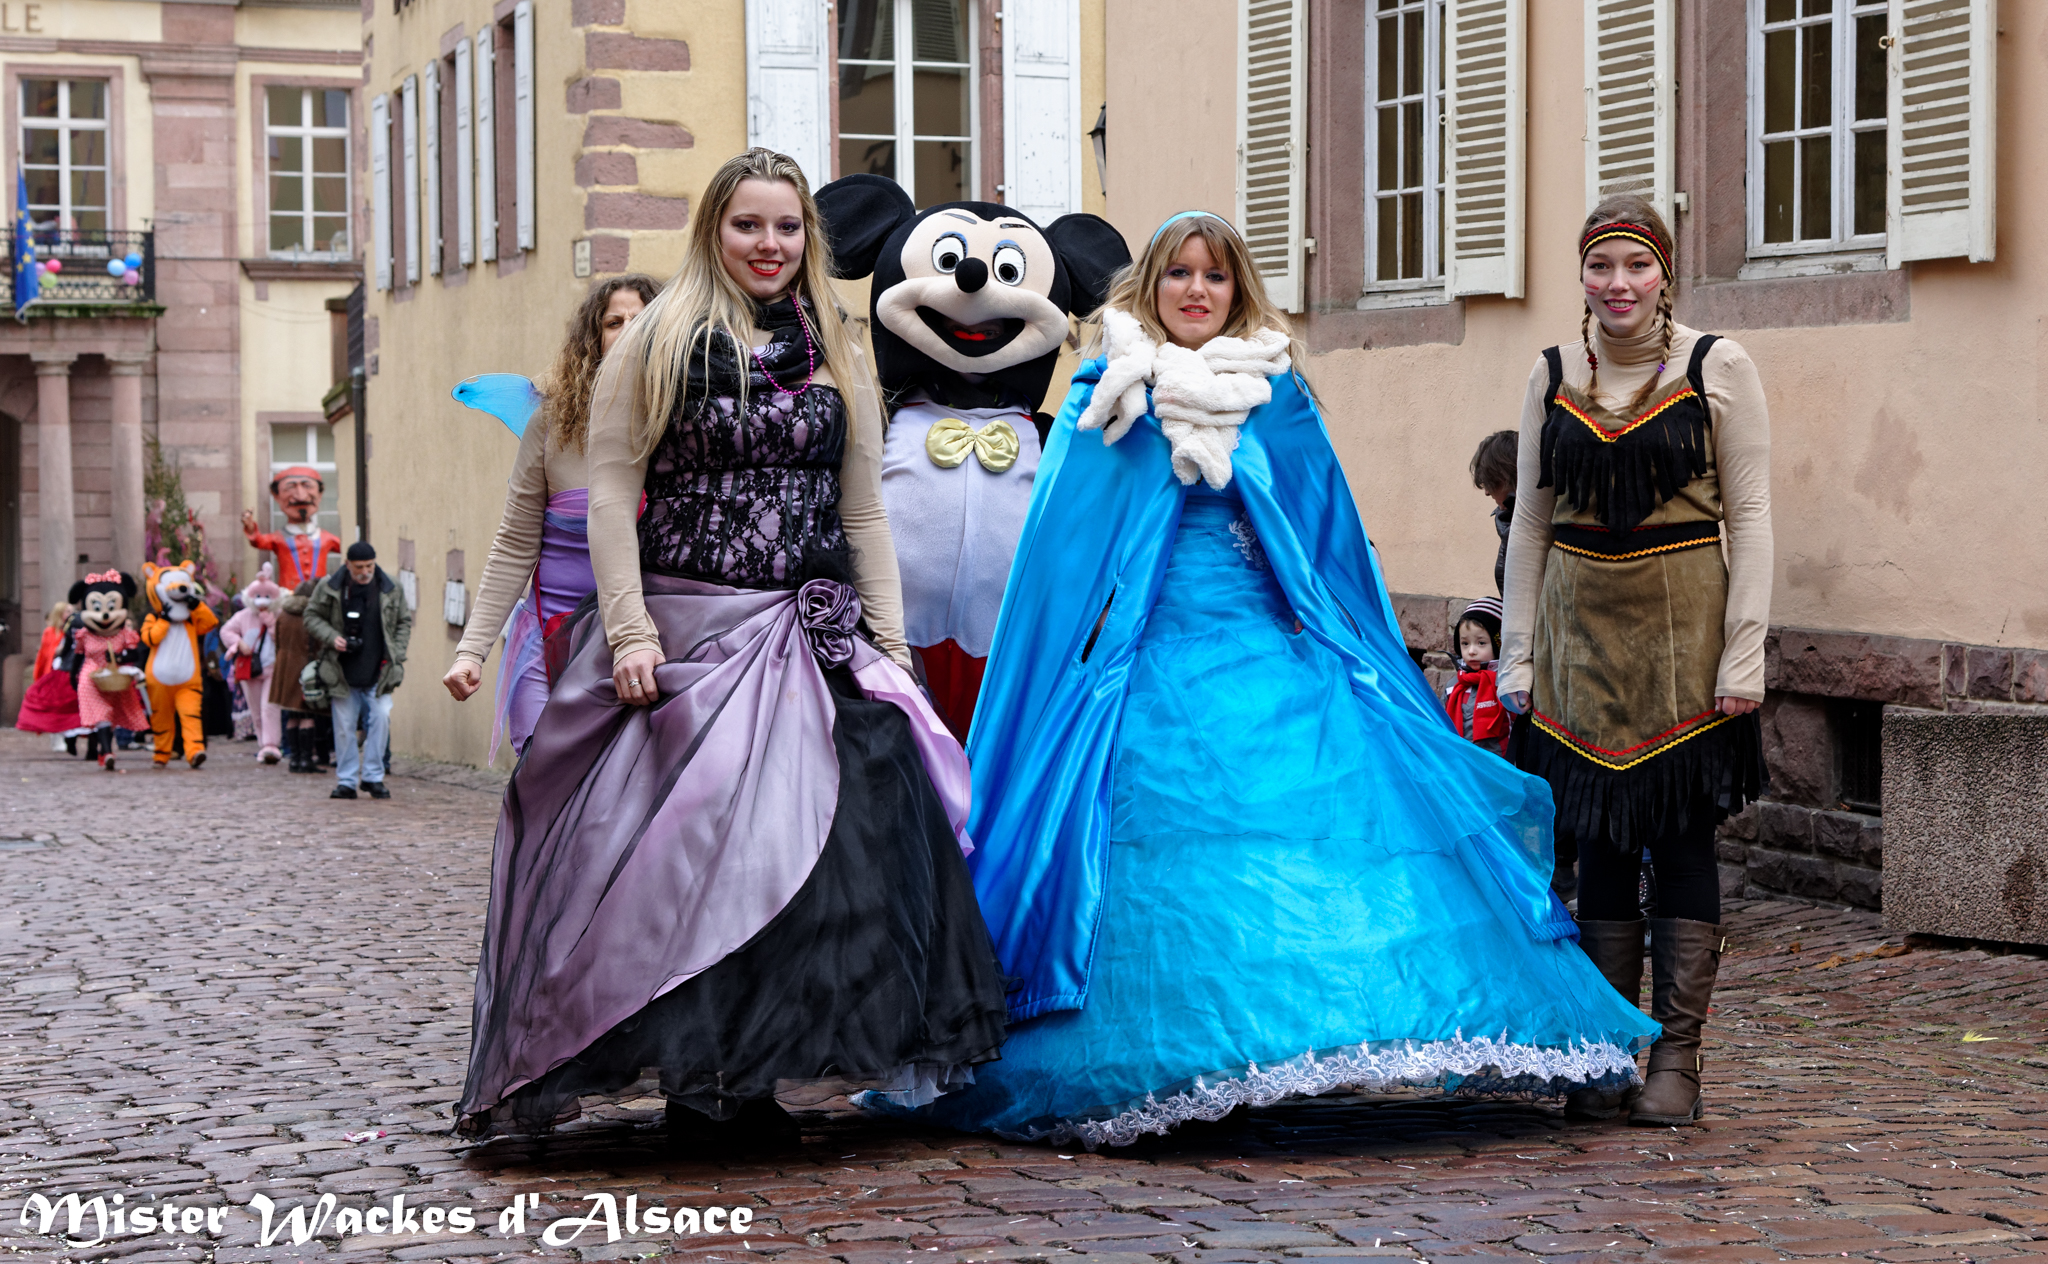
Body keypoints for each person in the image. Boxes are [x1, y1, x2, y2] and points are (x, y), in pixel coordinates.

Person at [907, 210, 1659, 1148]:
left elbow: (1329, 542)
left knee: (1310, 839)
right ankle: (1175, 1056)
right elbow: (1052, 573)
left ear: (1237, 292)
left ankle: (1306, 1037)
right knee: (1165, 858)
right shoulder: (1109, 396)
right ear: (1150, 286)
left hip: (1275, 657)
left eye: (1214, 277)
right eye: (1177, 273)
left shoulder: (1277, 394)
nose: (1195, 291)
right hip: (1151, 672)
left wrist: (1362, 656)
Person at [453, 148, 1008, 1145]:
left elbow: (863, 505)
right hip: (693, 631)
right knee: (695, 856)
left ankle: (756, 1075)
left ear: (808, 237)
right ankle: (697, 1080)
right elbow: (613, 492)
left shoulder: (829, 340)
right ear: (714, 229)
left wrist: (887, 638)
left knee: (821, 858)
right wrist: (626, 629)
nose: (769, 244)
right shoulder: (658, 338)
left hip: (810, 628)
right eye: (749, 224)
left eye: (786, 227)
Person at [1498, 196, 1772, 1128]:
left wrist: (1744, 659)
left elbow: (1754, 518)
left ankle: (1678, 1059)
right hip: (1579, 640)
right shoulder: (1550, 375)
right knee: (1601, 848)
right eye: (1601, 267)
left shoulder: (1716, 367)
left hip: (1682, 639)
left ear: (1665, 276)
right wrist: (1517, 657)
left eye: (1636, 267)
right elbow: (1531, 522)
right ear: (1581, 277)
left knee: (1683, 841)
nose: (1619, 285)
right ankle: (1608, 1045)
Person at [443, 273, 661, 760]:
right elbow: (514, 545)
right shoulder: (551, 422)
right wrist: (469, 651)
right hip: (548, 644)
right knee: (543, 786)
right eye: (613, 321)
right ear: (594, 338)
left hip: (646, 648)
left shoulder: (687, 425)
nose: (628, 329)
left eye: (642, 319)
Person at [304, 542, 412, 800]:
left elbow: (403, 622)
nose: (365, 572)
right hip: (341, 670)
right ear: (347, 564)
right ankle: (347, 780)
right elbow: (311, 616)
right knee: (343, 726)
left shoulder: (391, 587)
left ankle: (374, 777)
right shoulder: (330, 587)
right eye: (359, 567)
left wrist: (396, 652)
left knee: (382, 717)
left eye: (369, 566)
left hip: (380, 669)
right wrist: (332, 637)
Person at [220, 565, 285, 763]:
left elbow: (284, 638)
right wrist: (238, 643)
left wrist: (272, 625)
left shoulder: (279, 614)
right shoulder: (243, 616)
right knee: (256, 709)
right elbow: (226, 631)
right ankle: (262, 744)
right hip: (250, 668)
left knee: (269, 707)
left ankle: (271, 745)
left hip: (273, 668)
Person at [241, 467, 343, 589]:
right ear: (277, 496)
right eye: (290, 487)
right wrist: (251, 527)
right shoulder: (279, 538)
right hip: (288, 594)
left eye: (307, 486)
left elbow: (347, 548)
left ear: (319, 494)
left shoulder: (325, 537)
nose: (300, 496)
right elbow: (258, 541)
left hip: (318, 595)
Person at [270, 576, 326, 773]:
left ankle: (294, 758)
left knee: (292, 714)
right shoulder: (310, 615)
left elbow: (277, 641)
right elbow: (318, 643)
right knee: (307, 713)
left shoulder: (283, 615)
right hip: (305, 667)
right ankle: (305, 759)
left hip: (284, 668)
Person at [1444, 597, 1509, 757]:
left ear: (1498, 643)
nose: (1471, 651)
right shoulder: (1454, 686)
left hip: (1498, 768)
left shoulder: (1507, 684)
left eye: (1481, 643)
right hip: (1460, 764)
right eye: (1465, 643)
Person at [15, 601, 81, 747]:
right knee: (54, 706)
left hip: (70, 672)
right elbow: (45, 654)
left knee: (71, 706)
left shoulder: (76, 628)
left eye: (71, 611)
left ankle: (70, 735)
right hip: (55, 673)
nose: (70, 614)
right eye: (67, 611)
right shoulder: (50, 631)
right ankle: (57, 737)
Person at [1470, 430, 1517, 595]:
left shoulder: (1539, 522)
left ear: (1505, 476)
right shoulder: (1505, 519)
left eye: (1490, 483)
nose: (1487, 493)